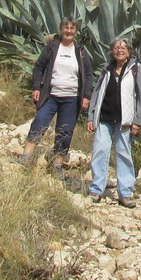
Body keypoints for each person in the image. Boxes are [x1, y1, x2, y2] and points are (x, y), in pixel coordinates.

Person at [19, 17, 92, 174]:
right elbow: (39, 67)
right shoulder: (52, 47)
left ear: (76, 31)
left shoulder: (80, 51)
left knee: (65, 131)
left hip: (71, 98)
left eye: (72, 29)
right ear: (61, 29)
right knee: (39, 122)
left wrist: (86, 96)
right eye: (66, 28)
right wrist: (36, 87)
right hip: (51, 95)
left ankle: (57, 166)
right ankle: (25, 157)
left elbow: (88, 74)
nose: (68, 31)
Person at [86, 37, 141, 208]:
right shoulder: (106, 68)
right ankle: (96, 189)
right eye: (116, 48)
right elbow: (97, 93)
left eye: (123, 47)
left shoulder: (135, 69)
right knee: (100, 151)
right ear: (112, 51)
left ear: (129, 51)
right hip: (104, 117)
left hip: (124, 120)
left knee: (124, 154)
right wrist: (91, 116)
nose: (120, 50)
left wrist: (137, 120)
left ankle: (125, 193)